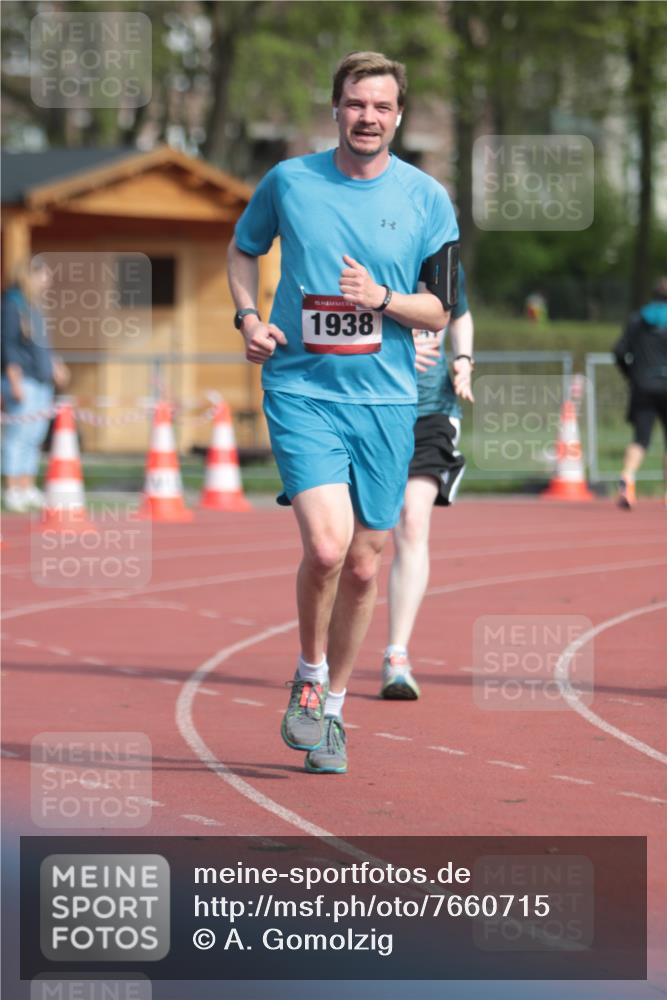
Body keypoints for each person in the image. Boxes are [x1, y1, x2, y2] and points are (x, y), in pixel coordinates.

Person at [227, 51, 459, 774]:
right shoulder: (289, 181)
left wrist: (381, 301)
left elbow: (438, 306)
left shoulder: (427, 198)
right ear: (336, 109)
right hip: (301, 389)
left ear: (398, 115)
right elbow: (242, 251)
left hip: (387, 400)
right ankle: (308, 675)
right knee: (326, 548)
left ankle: (331, 717)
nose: (368, 117)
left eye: (382, 106)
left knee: (365, 563)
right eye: (356, 104)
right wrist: (247, 317)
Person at [381, 265, 474, 698]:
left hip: (433, 411)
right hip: (373, 407)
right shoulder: (373, 256)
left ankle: (397, 656)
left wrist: (463, 360)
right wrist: (391, 351)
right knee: (352, 540)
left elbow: (461, 314)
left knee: (412, 522)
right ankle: (319, 658)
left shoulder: (444, 266)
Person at [1, 259, 68, 512]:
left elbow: (42, 345)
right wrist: (14, 380)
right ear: (30, 276)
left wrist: (55, 365)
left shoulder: (35, 307)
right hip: (23, 379)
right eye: (43, 276)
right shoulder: (11, 304)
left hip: (42, 380)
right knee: (18, 435)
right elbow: (8, 346)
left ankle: (27, 485)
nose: (47, 281)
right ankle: (12, 488)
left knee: (35, 436)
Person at [613, 276, 667, 509]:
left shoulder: (638, 319)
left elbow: (618, 350)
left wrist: (631, 374)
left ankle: (627, 478)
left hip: (643, 384)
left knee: (640, 438)